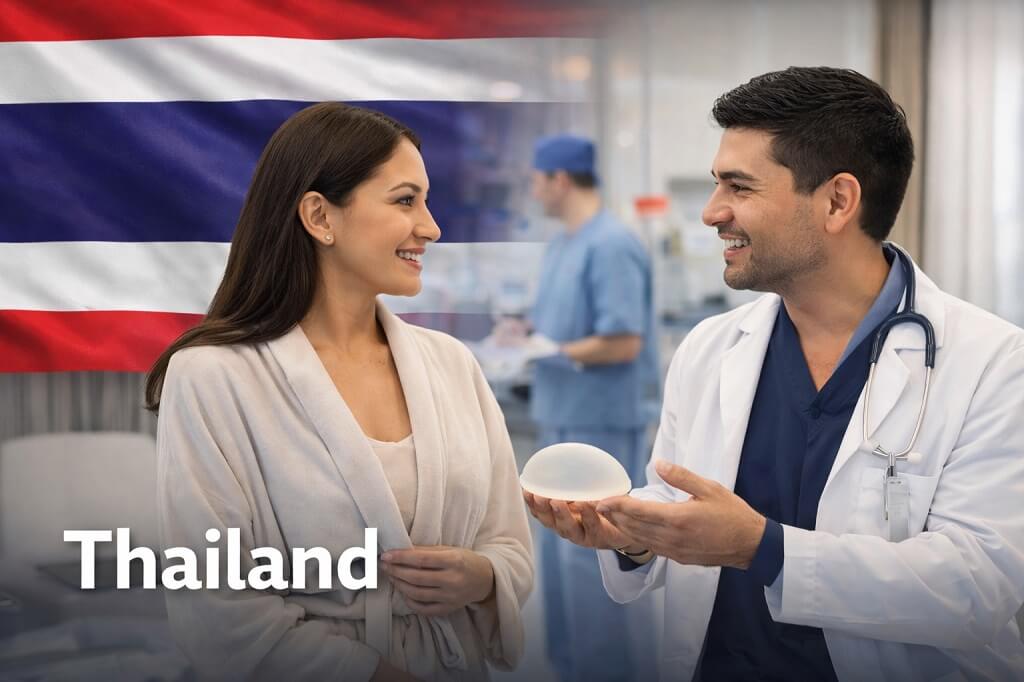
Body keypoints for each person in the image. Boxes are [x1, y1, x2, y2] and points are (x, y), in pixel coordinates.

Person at [526, 66, 1024, 680]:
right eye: (716, 185)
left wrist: (762, 549)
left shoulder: (995, 365)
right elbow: (681, 502)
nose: (712, 212)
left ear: (837, 202)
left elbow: (980, 586)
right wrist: (633, 532)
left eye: (739, 187)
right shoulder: (712, 349)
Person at [145, 102, 533, 682]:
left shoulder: (452, 364)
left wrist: (482, 578)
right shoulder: (213, 376)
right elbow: (215, 606)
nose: (431, 227)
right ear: (320, 216)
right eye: (406, 201)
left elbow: (508, 542)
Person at [514, 134, 659, 682]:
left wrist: (553, 351)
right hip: (560, 416)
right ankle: (572, 666)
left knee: (594, 561)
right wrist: (526, 339)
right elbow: (556, 326)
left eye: (536, 179)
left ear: (560, 179)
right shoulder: (562, 244)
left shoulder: (611, 244)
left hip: (599, 423)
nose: (533, 189)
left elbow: (623, 341)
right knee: (558, 561)